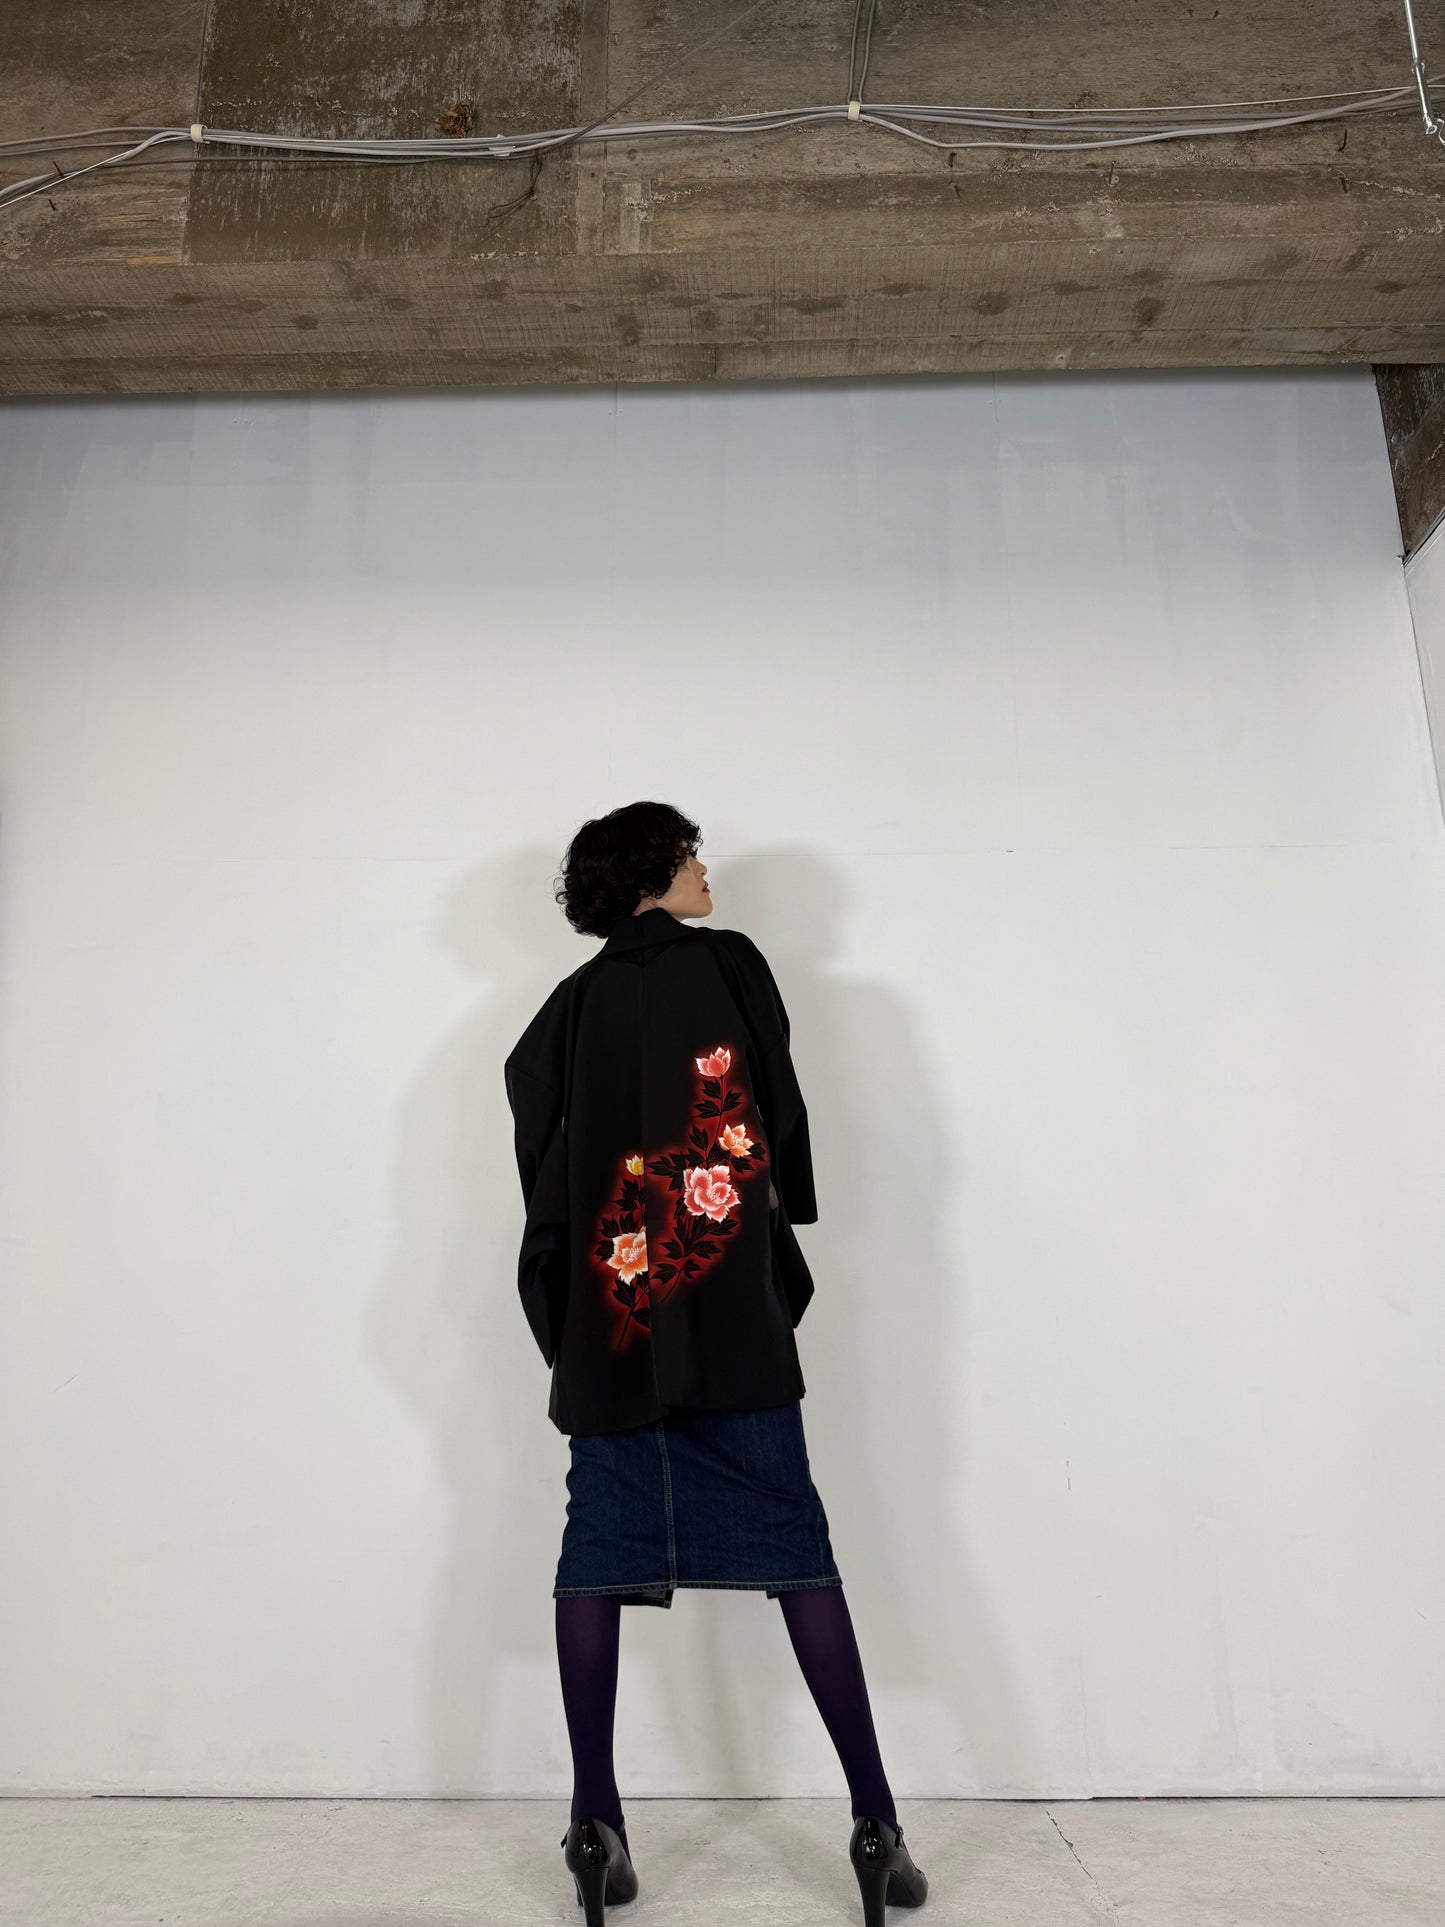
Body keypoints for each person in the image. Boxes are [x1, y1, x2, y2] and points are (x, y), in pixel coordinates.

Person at [504, 801, 928, 1926]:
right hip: (726, 1316)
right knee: (796, 1548)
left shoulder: (569, 1006)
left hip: (613, 1325)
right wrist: (768, 1224)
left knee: (594, 1557)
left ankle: (593, 1822)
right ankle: (874, 1822)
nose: (707, 873)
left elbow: (540, 1159)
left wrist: (582, 1309)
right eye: (691, 855)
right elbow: (770, 1103)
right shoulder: (729, 963)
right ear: (653, 869)